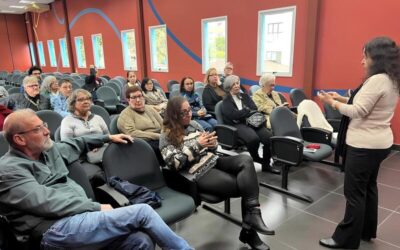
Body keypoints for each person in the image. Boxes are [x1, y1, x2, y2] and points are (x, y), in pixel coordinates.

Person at [0, 109, 192, 250]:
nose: (46, 131)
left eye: (44, 125)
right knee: (142, 212)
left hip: (80, 219)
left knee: (140, 241)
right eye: (38, 129)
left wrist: (108, 137)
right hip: (52, 230)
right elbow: (47, 202)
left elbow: (78, 143)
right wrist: (96, 207)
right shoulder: (8, 170)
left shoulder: (49, 151)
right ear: (20, 139)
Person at [160, 96, 275, 250]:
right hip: (197, 171)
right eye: (184, 112)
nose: (189, 114)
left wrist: (213, 144)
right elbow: (173, 163)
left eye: (189, 110)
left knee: (246, 160)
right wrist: (197, 145)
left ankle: (253, 215)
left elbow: (211, 148)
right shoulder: (166, 135)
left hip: (213, 160)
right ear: (174, 115)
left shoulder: (194, 124)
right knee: (244, 185)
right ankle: (249, 230)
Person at [318, 36, 400, 249]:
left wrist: (331, 103)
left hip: (364, 145)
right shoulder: (391, 78)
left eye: (365, 56)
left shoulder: (377, 80)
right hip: (380, 144)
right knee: (369, 187)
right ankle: (366, 231)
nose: (362, 61)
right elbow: (363, 103)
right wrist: (342, 98)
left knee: (354, 193)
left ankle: (345, 239)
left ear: (377, 57)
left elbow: (359, 111)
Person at [221, 75, 280, 174]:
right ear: (228, 87)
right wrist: (245, 111)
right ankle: (255, 157)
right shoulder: (226, 100)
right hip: (238, 125)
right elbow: (232, 116)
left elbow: (254, 107)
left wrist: (243, 112)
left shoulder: (244, 96)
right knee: (253, 139)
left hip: (252, 121)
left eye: (237, 83)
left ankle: (266, 165)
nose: (236, 86)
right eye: (233, 84)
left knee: (269, 138)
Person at [60, 89, 109, 186]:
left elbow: (108, 137)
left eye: (88, 99)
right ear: (73, 103)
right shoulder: (67, 121)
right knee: (99, 176)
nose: (86, 101)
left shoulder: (98, 118)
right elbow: (67, 147)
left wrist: (101, 146)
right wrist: (88, 148)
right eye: (81, 99)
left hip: (103, 154)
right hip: (82, 159)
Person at [118, 86, 165, 165]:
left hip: (160, 137)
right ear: (128, 100)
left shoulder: (149, 109)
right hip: (143, 143)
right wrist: (159, 136)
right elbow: (132, 133)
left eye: (140, 96)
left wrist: (166, 134)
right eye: (134, 97)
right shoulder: (125, 115)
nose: (138, 100)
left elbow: (163, 124)